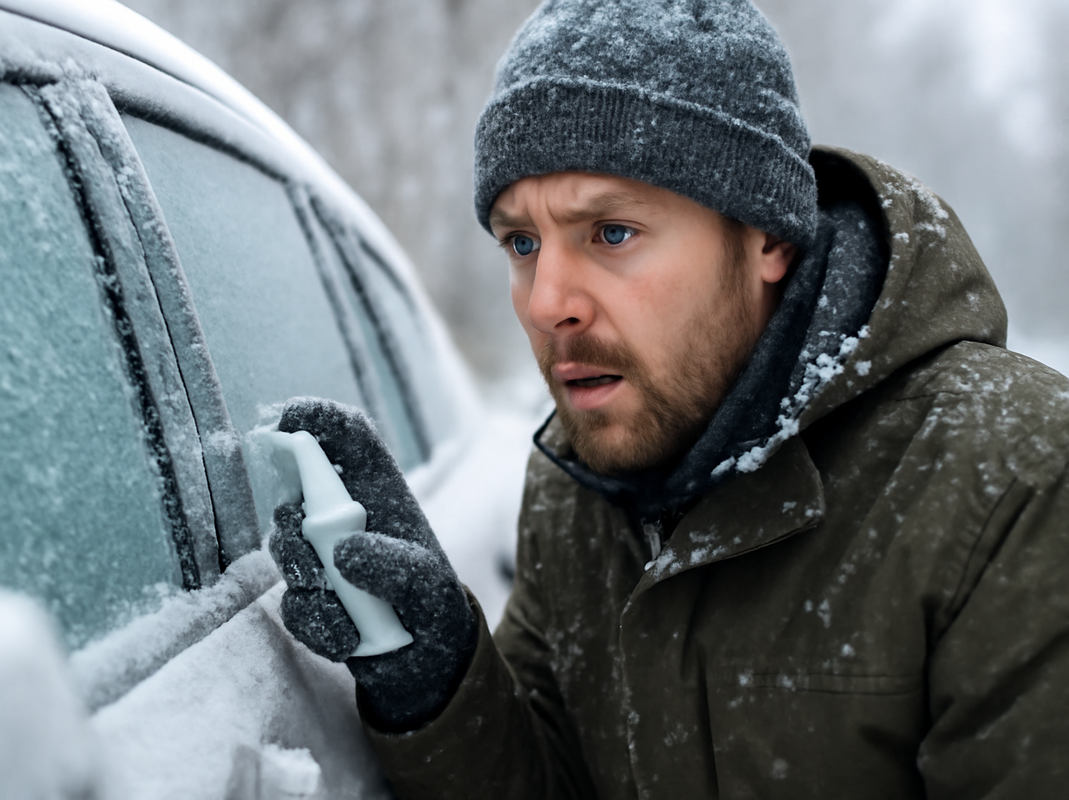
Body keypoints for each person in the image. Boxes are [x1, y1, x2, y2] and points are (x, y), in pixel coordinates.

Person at [269, 0, 1069, 797]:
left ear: (769, 238)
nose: (548, 301)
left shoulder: (1014, 479)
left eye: (611, 233)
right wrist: (438, 683)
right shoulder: (576, 491)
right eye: (521, 243)